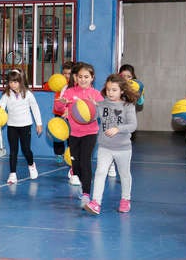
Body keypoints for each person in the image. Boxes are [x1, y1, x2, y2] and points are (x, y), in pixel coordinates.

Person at [84, 74, 139, 215]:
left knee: (124, 174)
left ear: (122, 91)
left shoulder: (128, 106)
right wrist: (87, 108)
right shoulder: (102, 105)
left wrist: (118, 129)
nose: (110, 93)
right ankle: (96, 202)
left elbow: (133, 125)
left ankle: (125, 199)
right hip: (105, 147)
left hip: (123, 148)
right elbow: (90, 117)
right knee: (100, 172)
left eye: (114, 90)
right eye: (108, 89)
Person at [54, 61, 104, 207]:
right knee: (75, 165)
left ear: (92, 78)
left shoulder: (96, 94)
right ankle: (84, 184)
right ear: (76, 78)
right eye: (80, 76)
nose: (83, 79)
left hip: (90, 133)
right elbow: (58, 107)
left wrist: (95, 107)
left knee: (85, 161)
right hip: (74, 133)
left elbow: (102, 113)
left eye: (86, 77)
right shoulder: (69, 92)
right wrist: (63, 104)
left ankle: (87, 193)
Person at [0, 69, 43, 184]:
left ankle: (31, 165)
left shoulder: (28, 94)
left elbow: (35, 108)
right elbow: (1, 108)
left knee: (26, 149)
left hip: (25, 126)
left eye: (15, 82)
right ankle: (12, 174)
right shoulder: (6, 95)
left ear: (21, 81)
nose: (12, 84)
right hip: (12, 126)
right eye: (10, 82)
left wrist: (39, 123)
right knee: (13, 150)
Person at [47, 61, 74, 164]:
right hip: (58, 112)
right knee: (58, 134)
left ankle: (71, 154)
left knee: (71, 136)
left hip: (71, 114)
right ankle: (59, 154)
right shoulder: (59, 82)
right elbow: (48, 86)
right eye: (64, 73)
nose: (66, 76)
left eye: (69, 73)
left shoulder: (74, 85)